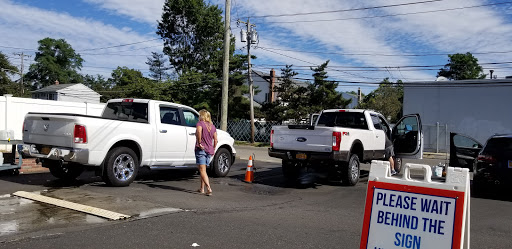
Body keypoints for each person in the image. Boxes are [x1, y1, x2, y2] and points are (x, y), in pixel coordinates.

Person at [195, 109, 217, 196]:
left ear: (202, 116)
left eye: (199, 115)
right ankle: (202, 188)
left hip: (201, 149)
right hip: (209, 150)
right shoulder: (213, 126)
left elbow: (199, 131)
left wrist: (199, 142)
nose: (198, 117)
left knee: (202, 170)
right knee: (203, 170)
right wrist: (213, 148)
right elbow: (216, 139)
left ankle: (208, 188)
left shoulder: (200, 124)